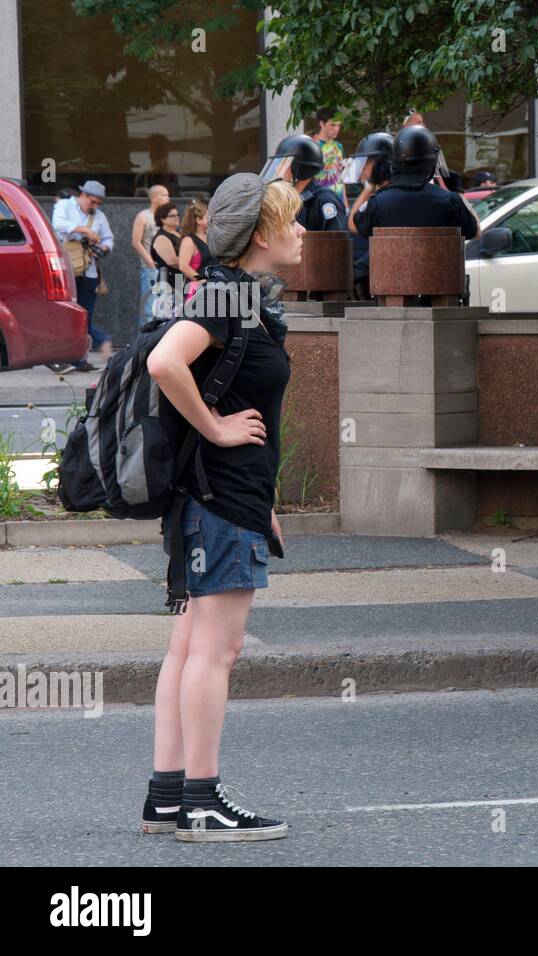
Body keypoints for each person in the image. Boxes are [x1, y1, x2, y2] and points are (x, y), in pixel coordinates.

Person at [141, 173, 305, 842]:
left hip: (221, 496)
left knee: (189, 648)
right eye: (292, 223)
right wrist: (215, 427)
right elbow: (163, 362)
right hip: (219, 495)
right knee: (217, 650)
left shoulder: (238, 297)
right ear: (261, 236)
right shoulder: (233, 295)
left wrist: (261, 500)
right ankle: (203, 802)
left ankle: (168, 795)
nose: (301, 232)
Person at [353, 125, 479, 241]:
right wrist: (458, 191)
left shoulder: (376, 204)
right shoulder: (450, 201)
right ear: (431, 161)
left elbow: (356, 226)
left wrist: (372, 186)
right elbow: (476, 232)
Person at [51, 180, 114, 371]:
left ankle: (79, 359)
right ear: (84, 196)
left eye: (98, 203)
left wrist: (103, 248)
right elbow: (58, 224)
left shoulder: (100, 217)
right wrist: (84, 230)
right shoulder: (64, 205)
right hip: (66, 270)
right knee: (66, 315)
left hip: (89, 270)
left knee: (85, 315)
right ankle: (68, 356)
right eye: (93, 202)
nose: (95, 206)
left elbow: (109, 238)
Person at [342, 130, 395, 299]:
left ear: (381, 165)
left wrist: (370, 186)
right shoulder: (379, 196)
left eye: (366, 164)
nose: (362, 170)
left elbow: (353, 224)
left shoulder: (382, 200)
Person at [261, 134, 346, 232]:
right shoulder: (285, 200)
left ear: (300, 169)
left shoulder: (324, 200)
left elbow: (336, 243)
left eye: (284, 164)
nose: (277, 168)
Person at [132, 184, 170, 325]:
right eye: (164, 195)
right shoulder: (143, 217)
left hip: (167, 268)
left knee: (165, 307)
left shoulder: (166, 218)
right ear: (154, 197)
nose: (168, 198)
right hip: (151, 268)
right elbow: (136, 242)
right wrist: (149, 261)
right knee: (149, 306)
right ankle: (144, 343)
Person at [150, 202, 184, 317]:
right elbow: (172, 261)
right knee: (168, 317)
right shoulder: (161, 237)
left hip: (181, 280)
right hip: (169, 281)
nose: (177, 217)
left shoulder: (179, 233)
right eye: (172, 216)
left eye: (178, 214)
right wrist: (193, 261)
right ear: (162, 219)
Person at [311, 108, 349, 211]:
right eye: (332, 125)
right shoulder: (312, 145)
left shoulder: (339, 146)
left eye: (338, 125)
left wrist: (345, 203)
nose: (336, 129)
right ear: (321, 124)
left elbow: (340, 176)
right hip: (321, 201)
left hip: (339, 199)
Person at [177, 199, 213, 305]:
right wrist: (202, 280)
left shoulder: (211, 237)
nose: (212, 218)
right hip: (195, 290)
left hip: (213, 288)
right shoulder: (188, 240)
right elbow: (183, 266)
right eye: (208, 216)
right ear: (198, 220)